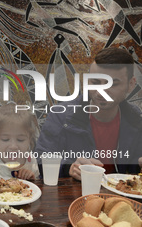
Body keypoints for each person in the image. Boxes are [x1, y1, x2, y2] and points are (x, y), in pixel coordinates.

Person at [35, 47, 142, 180]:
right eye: (95, 82)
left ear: (131, 85)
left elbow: (135, 169)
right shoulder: (61, 114)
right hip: (72, 197)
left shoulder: (136, 119)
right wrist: (69, 168)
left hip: (120, 197)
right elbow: (42, 159)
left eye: (113, 84)